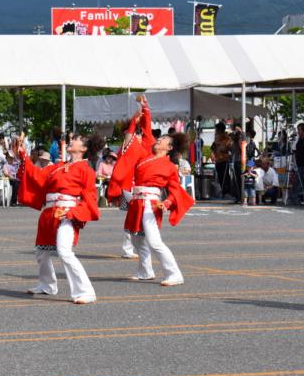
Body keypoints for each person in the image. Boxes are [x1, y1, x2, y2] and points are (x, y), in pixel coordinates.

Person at [17, 129, 103, 304]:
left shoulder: (86, 169)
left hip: (67, 214)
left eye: (76, 139)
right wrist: (22, 153)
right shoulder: (58, 166)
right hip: (49, 212)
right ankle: (47, 285)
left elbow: (90, 199)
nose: (72, 140)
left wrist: (72, 213)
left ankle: (86, 291)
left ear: (84, 148)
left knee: (64, 251)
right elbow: (37, 176)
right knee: (41, 252)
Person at [111, 130, 194, 286]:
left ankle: (174, 274)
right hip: (136, 202)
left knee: (154, 242)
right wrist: (143, 111)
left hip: (150, 204)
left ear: (169, 147)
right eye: (159, 138)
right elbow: (143, 136)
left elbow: (175, 189)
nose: (158, 140)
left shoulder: (169, 167)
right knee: (136, 239)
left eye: (163, 139)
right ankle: (145, 271)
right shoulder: (144, 159)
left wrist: (167, 203)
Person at [108, 97, 153, 259]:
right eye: (137, 133)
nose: (140, 135)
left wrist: (145, 109)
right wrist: (135, 120)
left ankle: (132, 246)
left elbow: (147, 129)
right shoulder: (128, 145)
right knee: (134, 216)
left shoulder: (145, 146)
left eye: (140, 133)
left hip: (141, 187)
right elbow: (130, 134)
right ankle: (129, 247)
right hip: (129, 187)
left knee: (137, 217)